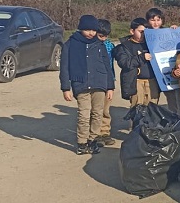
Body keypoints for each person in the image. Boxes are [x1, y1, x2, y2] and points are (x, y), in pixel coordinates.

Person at [60, 14, 115, 155]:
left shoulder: (99, 44)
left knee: (97, 113)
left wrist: (110, 86)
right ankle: (82, 143)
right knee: (84, 115)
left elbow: (107, 66)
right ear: (81, 29)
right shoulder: (70, 44)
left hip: (99, 83)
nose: (91, 33)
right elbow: (65, 67)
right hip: (81, 83)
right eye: (87, 30)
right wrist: (66, 88)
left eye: (94, 30)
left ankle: (93, 140)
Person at [113, 18, 159, 109]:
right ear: (132, 31)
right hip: (136, 82)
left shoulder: (152, 43)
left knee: (152, 110)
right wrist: (141, 57)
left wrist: (172, 30)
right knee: (137, 110)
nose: (143, 34)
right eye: (140, 31)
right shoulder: (124, 46)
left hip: (152, 82)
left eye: (145, 32)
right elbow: (124, 63)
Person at [145, 7, 180, 117]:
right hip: (151, 74)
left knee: (172, 100)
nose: (156, 23)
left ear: (162, 20)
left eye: (158, 19)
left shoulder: (168, 32)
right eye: (153, 20)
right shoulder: (145, 34)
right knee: (152, 101)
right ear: (148, 20)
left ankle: (174, 121)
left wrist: (174, 31)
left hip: (167, 73)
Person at [96, 19, 116, 146]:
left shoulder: (110, 46)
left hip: (108, 80)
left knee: (105, 109)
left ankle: (105, 132)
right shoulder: (90, 46)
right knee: (95, 109)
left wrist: (111, 84)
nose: (103, 38)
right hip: (94, 81)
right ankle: (94, 134)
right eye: (100, 36)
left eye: (106, 36)